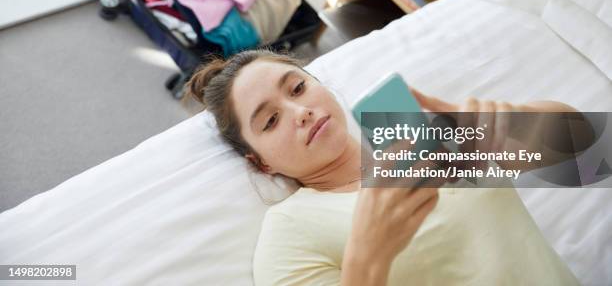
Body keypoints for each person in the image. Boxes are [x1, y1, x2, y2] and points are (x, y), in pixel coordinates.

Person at [185, 49, 583, 286]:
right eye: (270, 121)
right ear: (261, 161)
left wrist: (516, 122)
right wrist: (366, 257)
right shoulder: (290, 230)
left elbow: (588, 149)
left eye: (298, 88)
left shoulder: (431, 138)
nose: (299, 112)